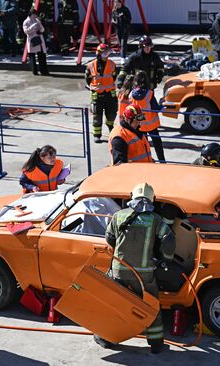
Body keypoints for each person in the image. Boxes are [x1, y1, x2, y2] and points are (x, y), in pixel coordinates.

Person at [94, 182, 175, 354]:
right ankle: (156, 345)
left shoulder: (118, 216)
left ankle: (106, 338)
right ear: (151, 198)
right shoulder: (155, 219)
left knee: (116, 304)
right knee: (150, 306)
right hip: (144, 273)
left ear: (132, 196)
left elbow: (109, 239)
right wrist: (165, 259)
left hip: (119, 270)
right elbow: (168, 239)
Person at [85, 43, 118, 143]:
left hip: (110, 94)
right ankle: (97, 135)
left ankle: (110, 129)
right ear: (99, 54)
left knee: (111, 114)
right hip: (97, 95)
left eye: (108, 53)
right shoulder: (90, 66)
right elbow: (88, 79)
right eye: (105, 54)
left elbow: (114, 77)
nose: (107, 56)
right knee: (97, 117)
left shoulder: (112, 64)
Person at [129, 71, 165, 162]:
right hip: (151, 125)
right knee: (157, 144)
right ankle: (162, 161)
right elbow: (156, 109)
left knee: (143, 145)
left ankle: (146, 161)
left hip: (139, 125)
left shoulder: (131, 94)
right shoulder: (150, 93)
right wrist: (162, 104)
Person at [23, 8, 48, 76]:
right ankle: (35, 71)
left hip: (39, 39)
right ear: (31, 14)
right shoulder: (26, 22)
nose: (35, 16)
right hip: (32, 40)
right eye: (34, 15)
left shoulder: (37, 20)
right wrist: (33, 27)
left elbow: (42, 29)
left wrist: (41, 29)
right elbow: (26, 31)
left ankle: (44, 71)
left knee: (42, 55)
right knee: (32, 56)